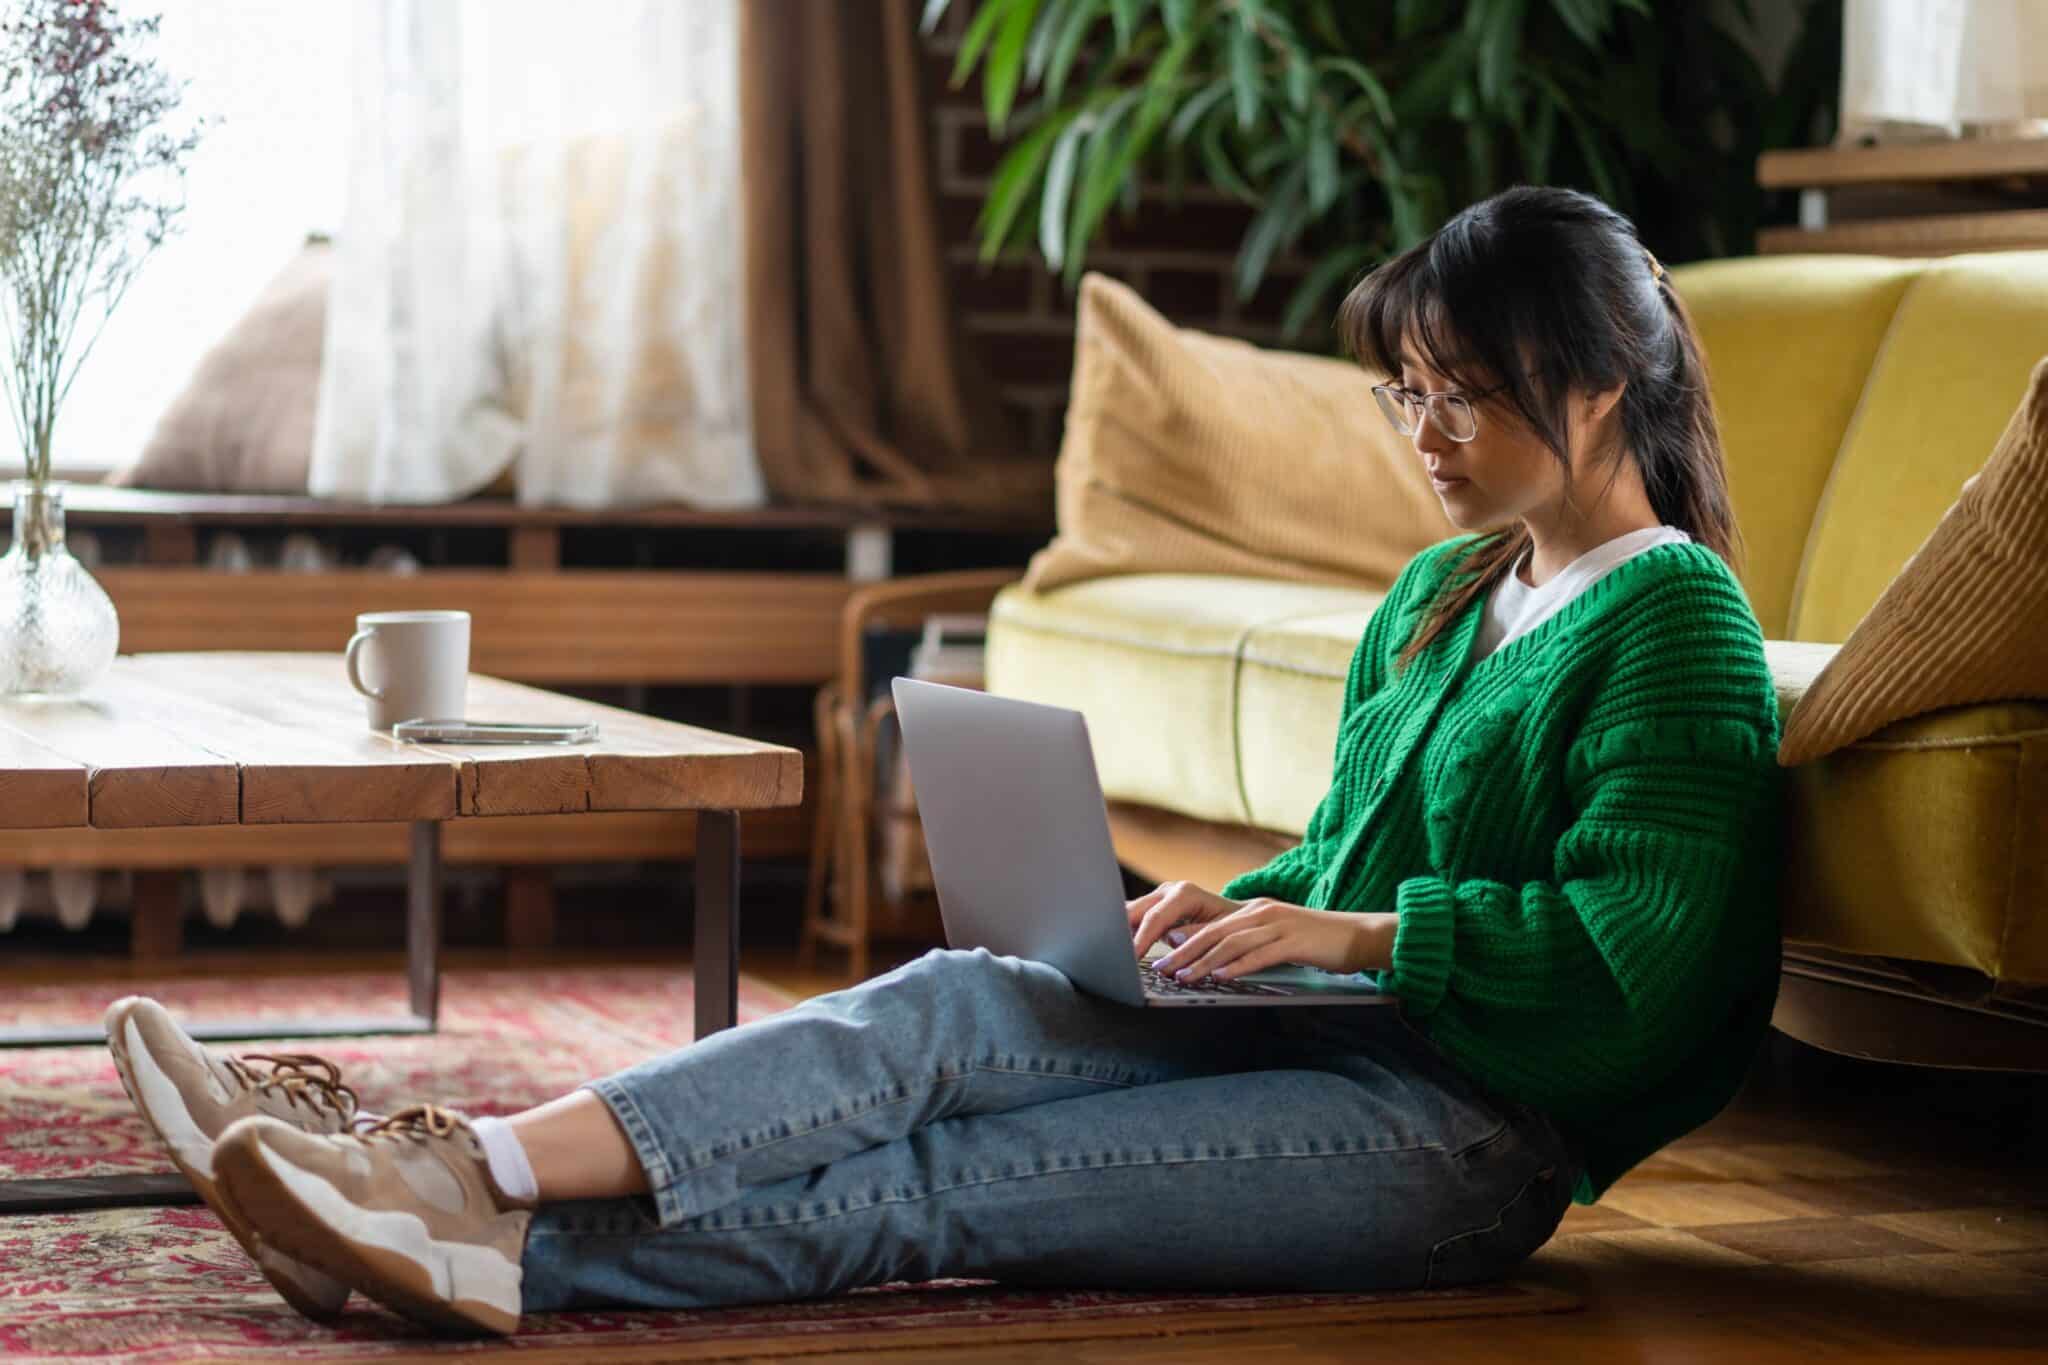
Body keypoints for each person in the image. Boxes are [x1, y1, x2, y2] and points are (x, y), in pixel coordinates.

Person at [103, 184, 1784, 1337]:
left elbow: (1633, 971)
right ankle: (451, 1175)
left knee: (945, 1185)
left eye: (1462, 395)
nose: (1420, 435)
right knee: (948, 1003)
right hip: (1325, 1032)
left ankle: (488, 1260)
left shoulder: (1679, 626)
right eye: (1401, 391)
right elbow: (1340, 868)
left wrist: (1352, 938)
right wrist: (1219, 919)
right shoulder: (1440, 593)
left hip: (1466, 1136)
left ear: (1603, 375)